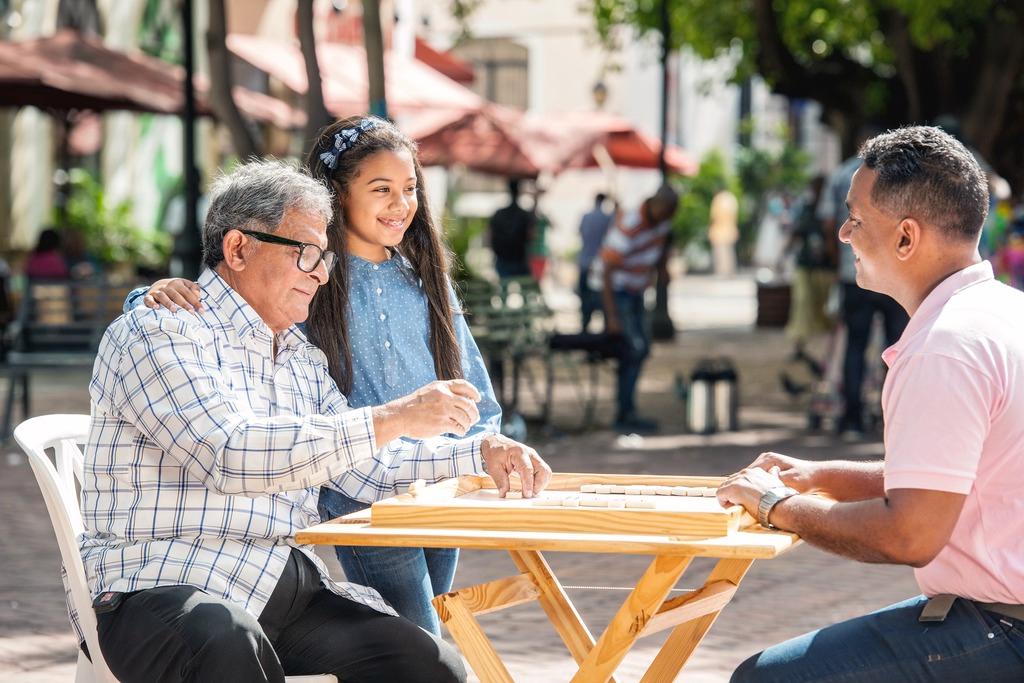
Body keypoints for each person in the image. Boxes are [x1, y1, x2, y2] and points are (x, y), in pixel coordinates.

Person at [131, 116, 544, 637]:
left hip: (439, 481)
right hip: (360, 494)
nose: (401, 204)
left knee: (434, 624)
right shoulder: (308, 275)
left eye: (410, 188)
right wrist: (150, 293)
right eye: (381, 189)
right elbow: (221, 300)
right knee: (419, 633)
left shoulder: (425, 279)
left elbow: (471, 377)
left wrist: (485, 444)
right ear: (337, 195)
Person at [719, 126, 1024, 682]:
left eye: (855, 219)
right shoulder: (1002, 311)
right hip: (999, 616)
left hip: (1004, 629)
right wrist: (818, 474)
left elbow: (910, 533)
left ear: (907, 238)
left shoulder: (947, 346)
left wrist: (775, 507)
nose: (841, 233)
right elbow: (948, 476)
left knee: (763, 679)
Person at [818, 128, 908, 439]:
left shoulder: (842, 174)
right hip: (891, 273)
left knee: (855, 346)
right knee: (899, 347)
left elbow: (829, 222)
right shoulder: (897, 176)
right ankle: (893, 421)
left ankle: (852, 418)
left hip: (852, 276)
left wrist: (838, 262)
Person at [599, 184, 679, 433]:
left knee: (640, 349)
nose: (668, 219)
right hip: (617, 290)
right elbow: (605, 271)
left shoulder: (662, 222)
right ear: (656, 205)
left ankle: (627, 409)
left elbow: (660, 249)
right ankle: (624, 414)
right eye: (666, 212)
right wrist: (611, 316)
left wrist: (662, 270)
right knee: (633, 349)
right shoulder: (630, 224)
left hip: (635, 291)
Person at [782, 175, 835, 361]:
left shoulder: (834, 208)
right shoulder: (807, 209)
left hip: (826, 268)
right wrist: (783, 255)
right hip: (806, 266)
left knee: (829, 312)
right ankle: (800, 347)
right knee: (802, 306)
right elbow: (796, 233)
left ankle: (831, 354)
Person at [577, 192, 613, 332]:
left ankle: (585, 325)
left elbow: (581, 233)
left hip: (585, 262)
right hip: (600, 265)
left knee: (585, 297)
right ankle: (605, 327)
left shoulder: (586, 217)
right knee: (602, 298)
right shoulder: (607, 218)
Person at [488, 178, 533, 278]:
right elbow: (530, 237)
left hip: (503, 258)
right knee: (525, 289)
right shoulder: (524, 215)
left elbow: (490, 235)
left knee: (504, 289)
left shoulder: (499, 214)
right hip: (519, 258)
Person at [708, 187, 740, 276]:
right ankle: (729, 271)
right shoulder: (731, 198)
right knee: (729, 251)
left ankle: (722, 271)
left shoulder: (718, 199)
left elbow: (713, 215)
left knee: (720, 252)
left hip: (719, 228)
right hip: (730, 228)